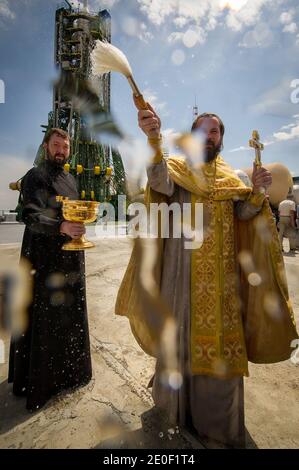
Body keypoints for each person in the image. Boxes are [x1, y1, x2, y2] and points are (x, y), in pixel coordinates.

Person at [116, 103, 298, 448]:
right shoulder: (178, 169)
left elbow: (245, 214)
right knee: (179, 343)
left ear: (221, 139)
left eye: (214, 131)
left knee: (218, 351)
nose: (208, 135)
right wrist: (154, 138)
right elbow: (158, 182)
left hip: (221, 283)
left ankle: (215, 426)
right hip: (180, 278)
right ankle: (175, 412)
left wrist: (258, 192)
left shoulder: (235, 178)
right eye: (202, 129)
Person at [8, 128, 92, 411]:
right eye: (56, 145)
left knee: (67, 316)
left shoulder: (71, 179)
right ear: (46, 147)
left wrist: (78, 226)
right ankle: (41, 384)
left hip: (69, 259)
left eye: (65, 146)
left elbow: (76, 211)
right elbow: (31, 215)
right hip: (43, 261)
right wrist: (60, 227)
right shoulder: (35, 176)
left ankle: (68, 376)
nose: (61, 150)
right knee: (43, 321)